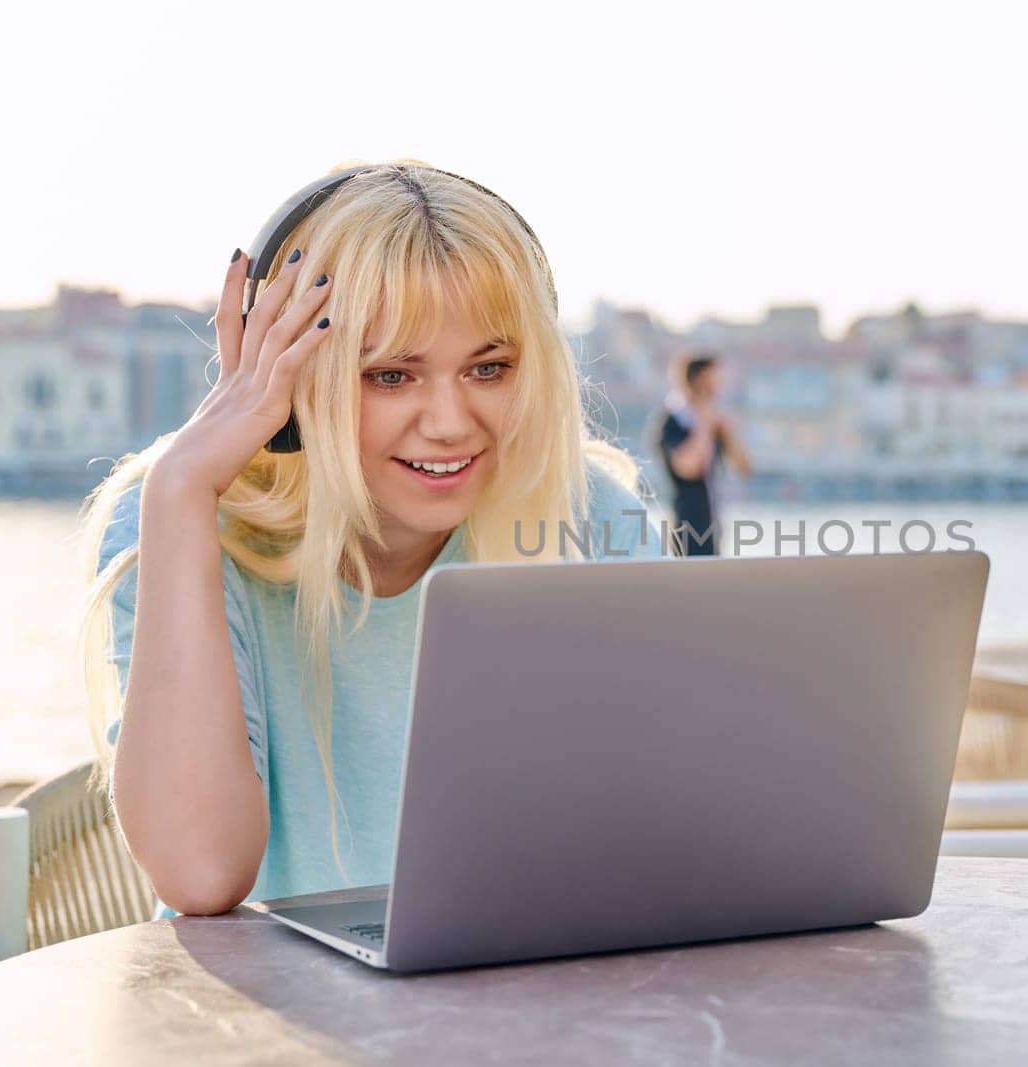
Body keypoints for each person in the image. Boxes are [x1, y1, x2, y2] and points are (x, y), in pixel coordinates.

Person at [77, 162, 660, 918]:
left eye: (490, 368)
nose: (450, 421)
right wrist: (181, 492)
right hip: (267, 1020)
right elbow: (201, 870)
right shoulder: (184, 520)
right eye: (391, 376)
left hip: (533, 995)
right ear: (285, 369)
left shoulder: (591, 517)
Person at [650, 351, 752, 556]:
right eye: (712, 382)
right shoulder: (673, 421)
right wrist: (703, 424)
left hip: (713, 524)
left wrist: (727, 432)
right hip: (686, 528)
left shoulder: (715, 422)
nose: (718, 389)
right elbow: (688, 467)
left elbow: (744, 467)